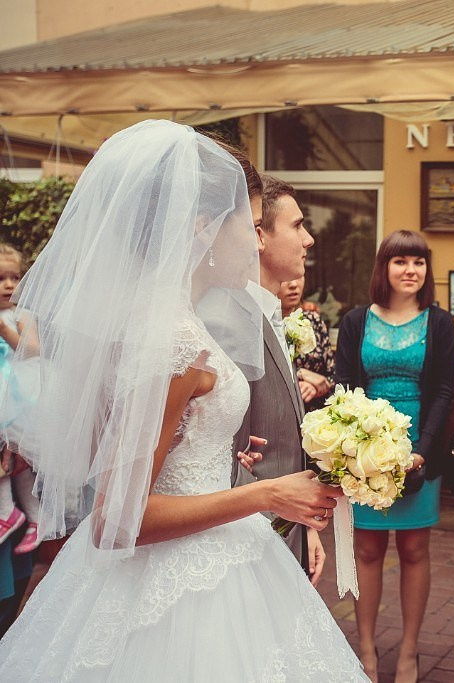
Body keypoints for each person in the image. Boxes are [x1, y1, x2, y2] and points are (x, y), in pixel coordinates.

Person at [0, 120, 368, 679]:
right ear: (203, 228)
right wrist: (268, 493)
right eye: (252, 224)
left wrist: (215, 456)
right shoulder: (170, 340)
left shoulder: (172, 322)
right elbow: (117, 520)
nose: (258, 240)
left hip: (210, 552)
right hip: (174, 587)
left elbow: (156, 450)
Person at [334, 230, 454, 683]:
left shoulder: (439, 323)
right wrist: (361, 452)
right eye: (401, 261)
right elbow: (346, 389)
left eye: (419, 262)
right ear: (383, 267)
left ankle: (408, 651)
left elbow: (444, 390)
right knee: (367, 549)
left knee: (414, 548)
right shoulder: (355, 321)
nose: (411, 270)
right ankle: (366, 649)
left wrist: (422, 451)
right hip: (366, 453)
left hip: (419, 449)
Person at [231, 175, 329, 582]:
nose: (308, 239)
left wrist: (304, 528)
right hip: (248, 540)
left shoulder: (271, 314)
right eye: (297, 225)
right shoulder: (231, 322)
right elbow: (221, 452)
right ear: (260, 236)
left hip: (284, 527)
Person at [0, 244, 39, 554]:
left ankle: (29, 516)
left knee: (17, 456)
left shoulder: (19, 314)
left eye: (15, 277)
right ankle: (10, 512)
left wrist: (5, 330)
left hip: (18, 392)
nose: (9, 285)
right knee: (10, 457)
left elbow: (32, 350)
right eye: (1, 278)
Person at [279, 274, 335, 410]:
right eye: (285, 277)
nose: (293, 284)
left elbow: (332, 378)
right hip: (280, 410)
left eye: (298, 276)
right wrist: (300, 374)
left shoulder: (313, 320)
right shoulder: (265, 326)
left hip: (316, 414)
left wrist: (313, 388)